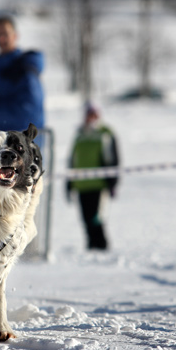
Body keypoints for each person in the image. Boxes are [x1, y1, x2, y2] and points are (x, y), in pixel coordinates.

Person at [0, 16, 45, 145]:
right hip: (1, 150)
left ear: (15, 36)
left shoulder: (25, 69)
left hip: (21, 151)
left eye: (5, 34)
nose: (1, 39)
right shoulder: (1, 69)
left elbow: (29, 112)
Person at [67, 102, 120, 250]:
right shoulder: (80, 134)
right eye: (88, 114)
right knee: (85, 219)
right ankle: (91, 245)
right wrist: (69, 183)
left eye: (94, 114)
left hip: (99, 185)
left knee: (97, 218)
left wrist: (113, 182)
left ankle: (101, 246)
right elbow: (73, 160)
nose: (91, 118)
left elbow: (113, 159)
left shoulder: (105, 133)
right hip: (82, 185)